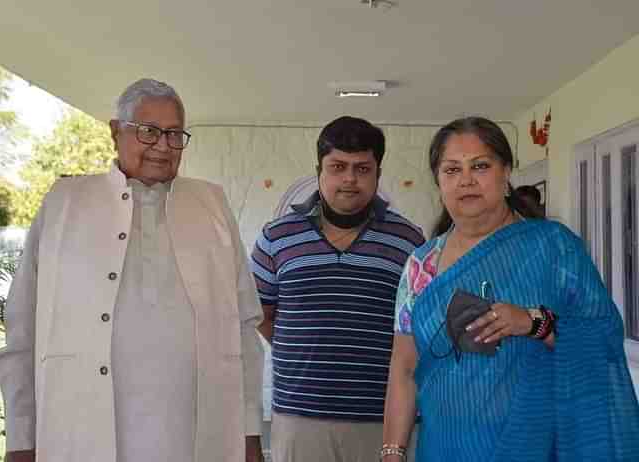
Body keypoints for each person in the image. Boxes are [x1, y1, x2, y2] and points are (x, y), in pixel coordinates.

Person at [0, 78, 264, 462]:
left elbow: (244, 325)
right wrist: (21, 439)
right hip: (81, 431)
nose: (162, 145)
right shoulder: (65, 203)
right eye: (148, 131)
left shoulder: (212, 205)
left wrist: (250, 432)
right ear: (114, 132)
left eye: (174, 134)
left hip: (196, 435)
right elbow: (23, 327)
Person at [382, 116, 639, 462]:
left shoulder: (552, 248)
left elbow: (604, 337)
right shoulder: (420, 265)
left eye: (481, 166)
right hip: (444, 448)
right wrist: (392, 451)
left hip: (534, 445)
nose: (466, 180)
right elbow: (404, 367)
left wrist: (533, 323)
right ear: (439, 182)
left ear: (506, 174)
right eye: (452, 170)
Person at [251, 116, 425, 462]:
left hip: (382, 417)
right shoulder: (276, 236)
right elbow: (261, 314)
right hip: (299, 416)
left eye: (362, 168)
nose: (349, 179)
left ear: (377, 173)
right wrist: (307, 347)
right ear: (320, 171)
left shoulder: (409, 240)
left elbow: (416, 327)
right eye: (338, 166)